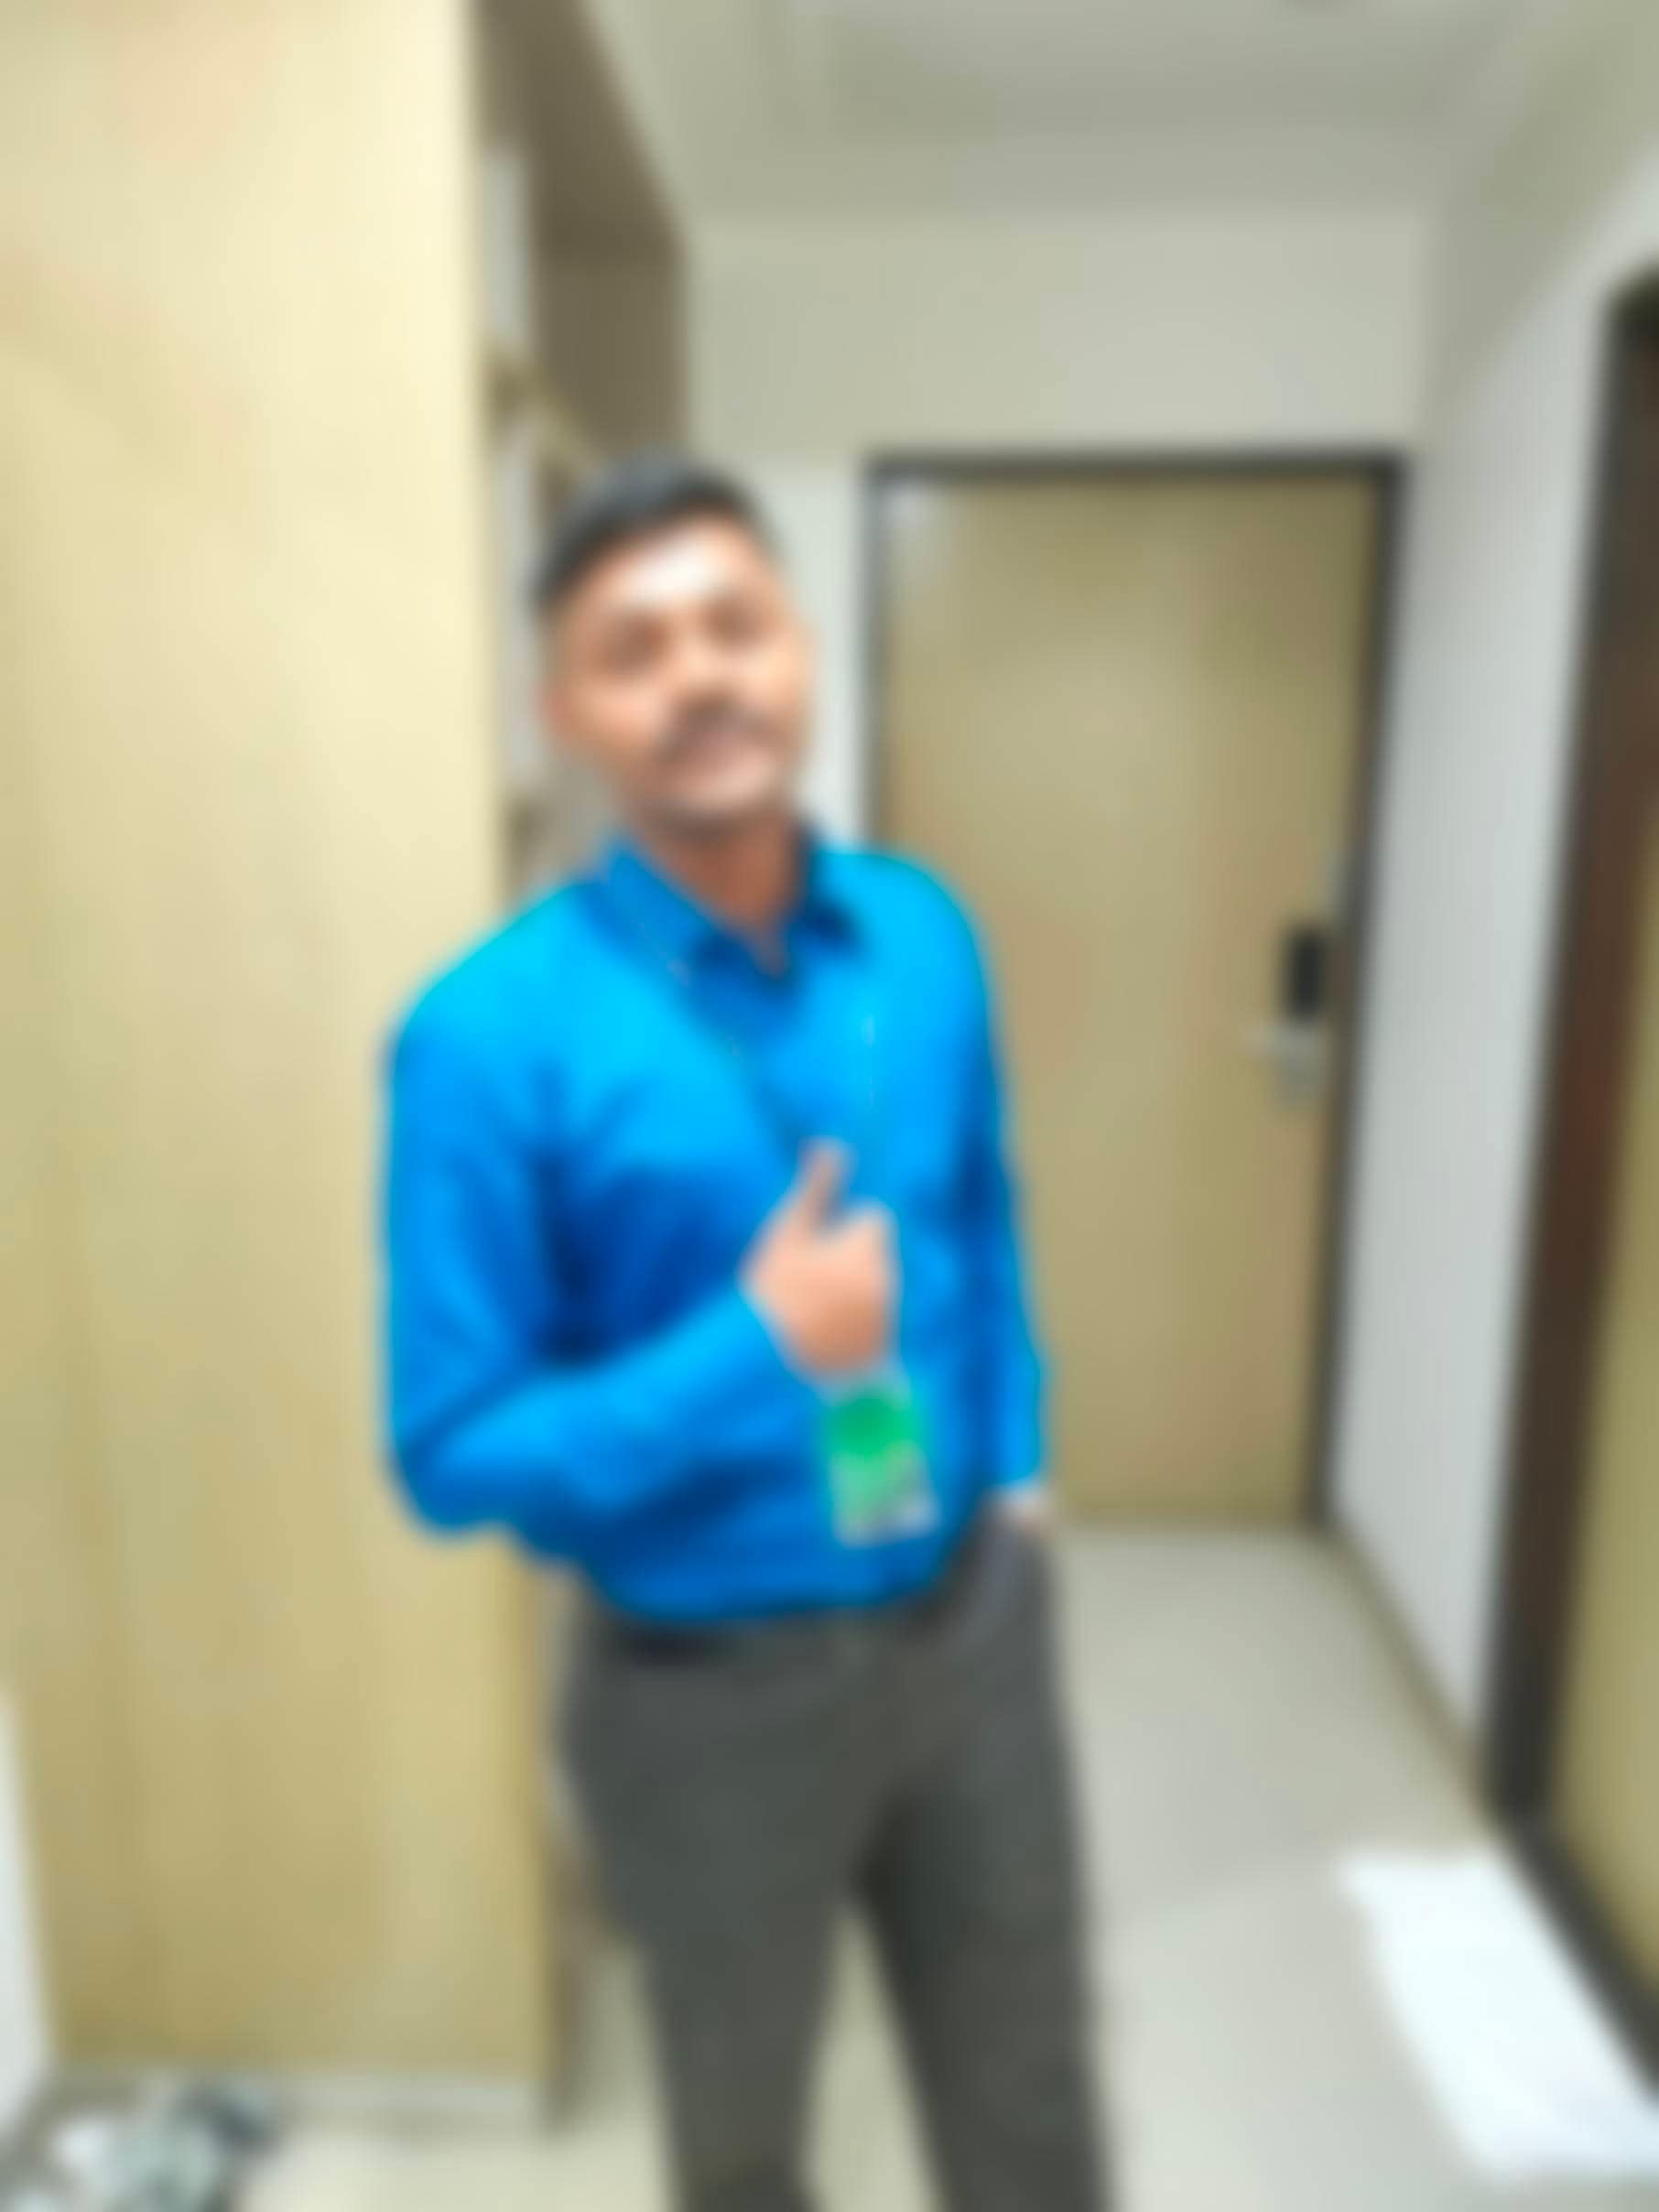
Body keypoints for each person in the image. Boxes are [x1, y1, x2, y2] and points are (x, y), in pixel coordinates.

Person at [381, 455, 1108, 2211]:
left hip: (971, 1630)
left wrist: (1016, 1461)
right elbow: (451, 1450)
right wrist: (755, 1344)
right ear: (565, 714)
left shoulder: (923, 937)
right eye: (633, 650)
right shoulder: (485, 1038)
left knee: (1033, 2113)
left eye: (735, 625)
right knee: (744, 2151)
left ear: (802, 651)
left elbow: (981, 1210)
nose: (700, 676)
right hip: (702, 1700)